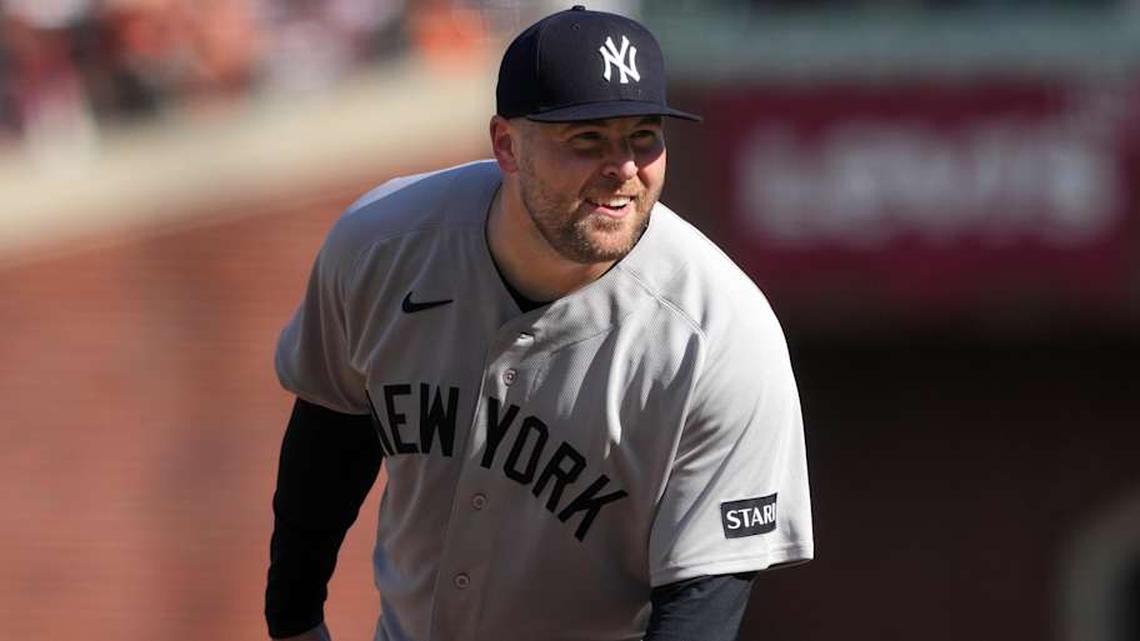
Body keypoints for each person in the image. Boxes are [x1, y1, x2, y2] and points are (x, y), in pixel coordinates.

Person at [266, 5, 813, 641]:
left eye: (644, 137)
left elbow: (702, 604)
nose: (624, 169)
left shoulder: (718, 335)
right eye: (588, 140)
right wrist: (294, 623)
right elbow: (329, 436)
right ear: (507, 145)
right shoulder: (384, 247)